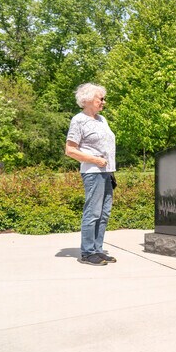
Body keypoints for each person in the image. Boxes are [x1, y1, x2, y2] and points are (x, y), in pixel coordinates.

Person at [65, 83, 117, 266]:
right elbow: (70, 150)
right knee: (93, 212)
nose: (104, 102)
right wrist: (95, 160)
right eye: (100, 98)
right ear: (87, 100)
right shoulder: (78, 120)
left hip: (107, 172)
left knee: (104, 213)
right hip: (93, 172)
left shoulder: (102, 119)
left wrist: (108, 167)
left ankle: (97, 249)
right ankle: (87, 253)